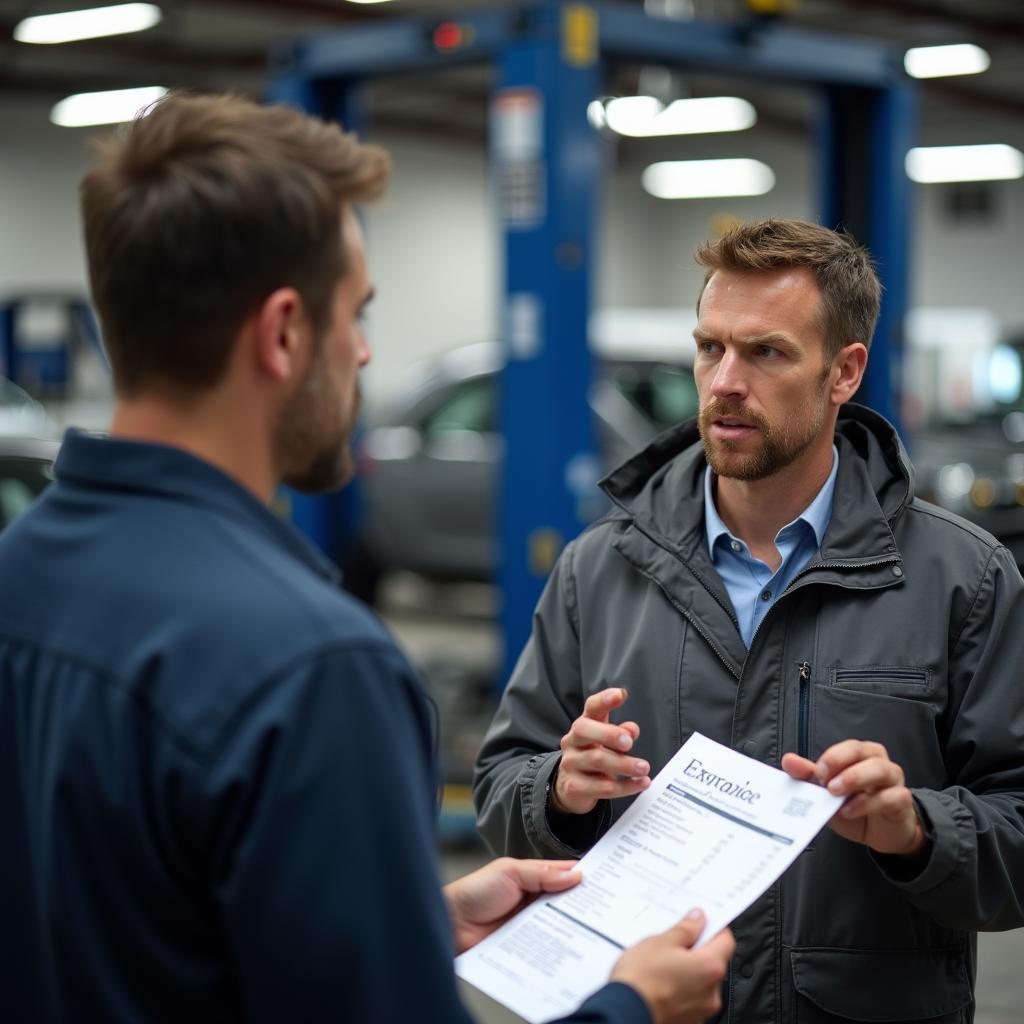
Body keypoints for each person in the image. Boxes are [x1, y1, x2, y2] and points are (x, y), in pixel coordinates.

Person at [0, 92, 735, 1023]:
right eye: (356, 314)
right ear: (281, 334)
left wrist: (405, 923)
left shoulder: (21, 567)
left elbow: (127, 926)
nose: (363, 353)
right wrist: (630, 1008)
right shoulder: (309, 670)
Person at [474, 218, 1024, 1022]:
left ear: (844, 372)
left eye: (765, 352)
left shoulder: (961, 581)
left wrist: (918, 829)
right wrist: (558, 790)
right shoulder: (598, 571)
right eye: (709, 348)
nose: (725, 380)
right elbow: (499, 789)